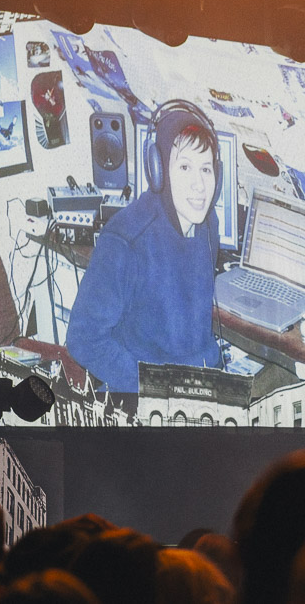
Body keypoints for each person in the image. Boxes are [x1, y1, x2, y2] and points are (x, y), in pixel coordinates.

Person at [67, 100, 223, 418]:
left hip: (197, 388)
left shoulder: (208, 224)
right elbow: (83, 338)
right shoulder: (125, 240)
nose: (199, 184)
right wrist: (150, 386)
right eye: (184, 167)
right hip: (142, 399)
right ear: (158, 169)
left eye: (206, 169)